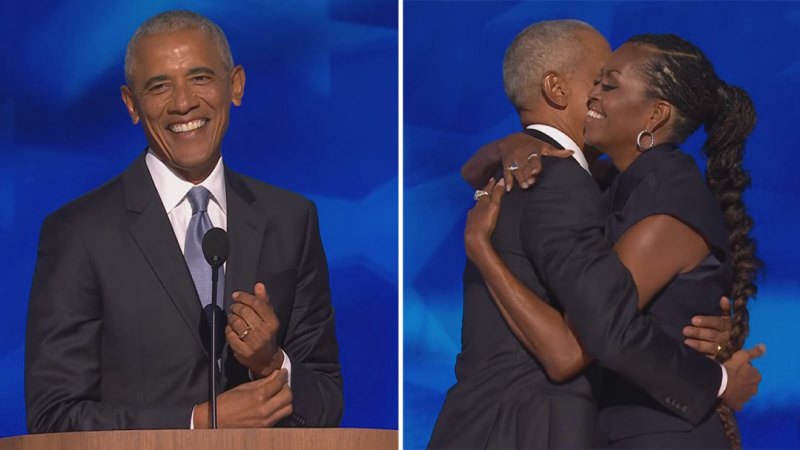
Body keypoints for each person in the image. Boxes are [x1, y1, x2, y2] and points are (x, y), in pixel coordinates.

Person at [429, 20, 762, 449]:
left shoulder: (658, 198)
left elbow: (589, 339)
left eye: (610, 85)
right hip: (544, 429)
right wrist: (505, 146)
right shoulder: (577, 182)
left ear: (655, 114)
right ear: (556, 89)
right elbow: (591, 339)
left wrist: (718, 375)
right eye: (597, 80)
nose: (595, 97)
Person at [25, 10, 342, 431]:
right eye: (158, 86)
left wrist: (270, 363)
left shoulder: (291, 220)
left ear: (236, 86)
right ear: (131, 105)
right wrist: (197, 423)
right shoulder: (79, 234)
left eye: (201, 78)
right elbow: (54, 418)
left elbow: (326, 404)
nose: (182, 102)